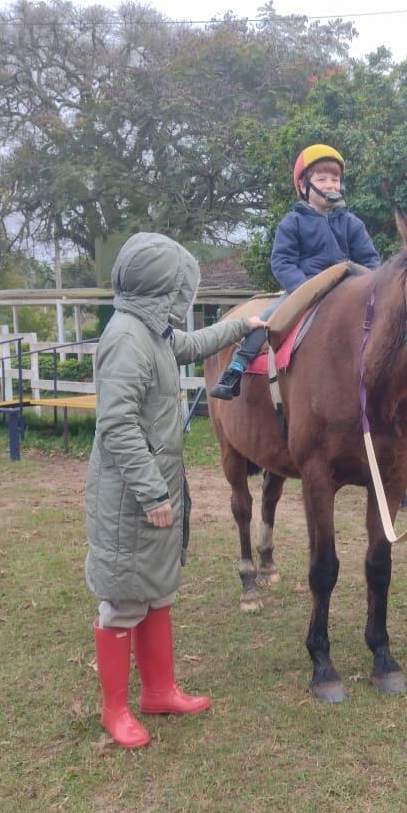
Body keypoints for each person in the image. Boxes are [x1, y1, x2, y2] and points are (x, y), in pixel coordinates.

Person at [86, 232, 261, 748]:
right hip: (129, 496)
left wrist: (240, 326)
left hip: (153, 485)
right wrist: (153, 493)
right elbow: (115, 425)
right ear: (163, 288)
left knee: (158, 589)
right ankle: (114, 709)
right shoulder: (126, 339)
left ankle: (159, 691)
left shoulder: (151, 331)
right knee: (122, 598)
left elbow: (190, 345)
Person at [209, 144, 381, 400]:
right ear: (303, 187)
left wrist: (366, 286)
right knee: (269, 320)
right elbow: (282, 261)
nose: (331, 185)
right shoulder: (293, 222)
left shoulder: (352, 224)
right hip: (304, 289)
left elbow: (370, 261)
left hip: (346, 291)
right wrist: (304, 288)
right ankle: (237, 367)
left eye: (335, 179)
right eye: (322, 179)